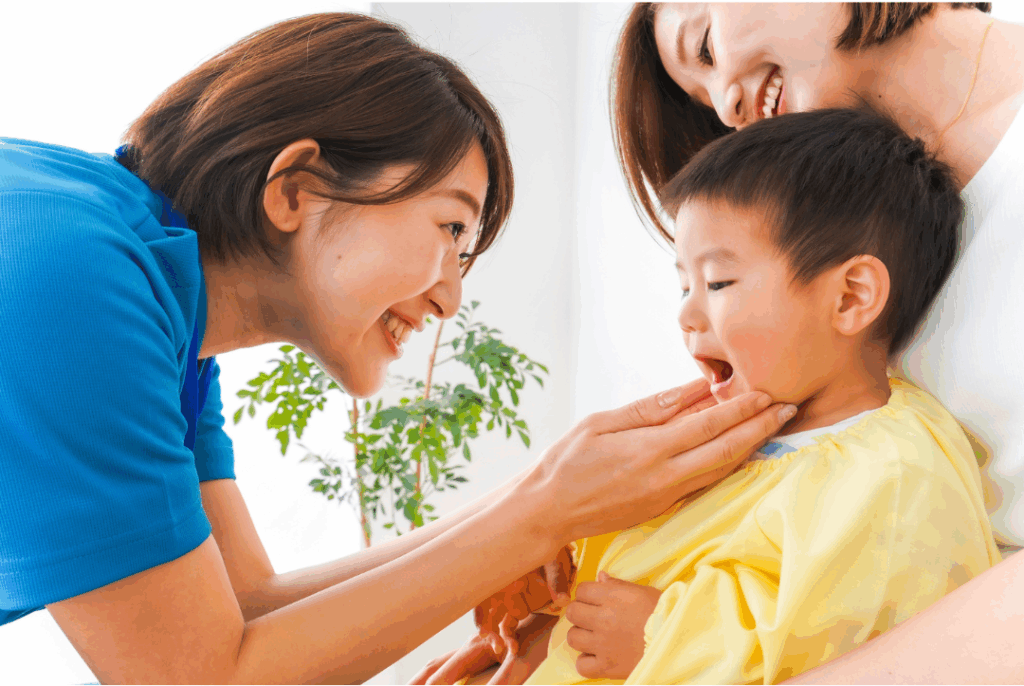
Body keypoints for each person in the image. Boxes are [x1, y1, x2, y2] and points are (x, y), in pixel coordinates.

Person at [0, 12, 799, 684]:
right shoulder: (73, 280)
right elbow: (206, 675)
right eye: (450, 227)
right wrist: (542, 510)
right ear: (296, 189)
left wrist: (546, 503)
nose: (450, 297)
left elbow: (245, 604)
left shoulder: (160, 302)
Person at [416, 106, 1001, 685]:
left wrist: (664, 635)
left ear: (851, 298)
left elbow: (861, 643)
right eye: (684, 283)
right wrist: (551, 575)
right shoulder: (722, 432)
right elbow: (649, 555)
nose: (687, 313)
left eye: (718, 282)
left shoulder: (897, 474)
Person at [552, 3, 1024, 683]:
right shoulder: (846, 240)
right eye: (704, 100)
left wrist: (688, 643)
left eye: (707, 47)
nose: (725, 105)